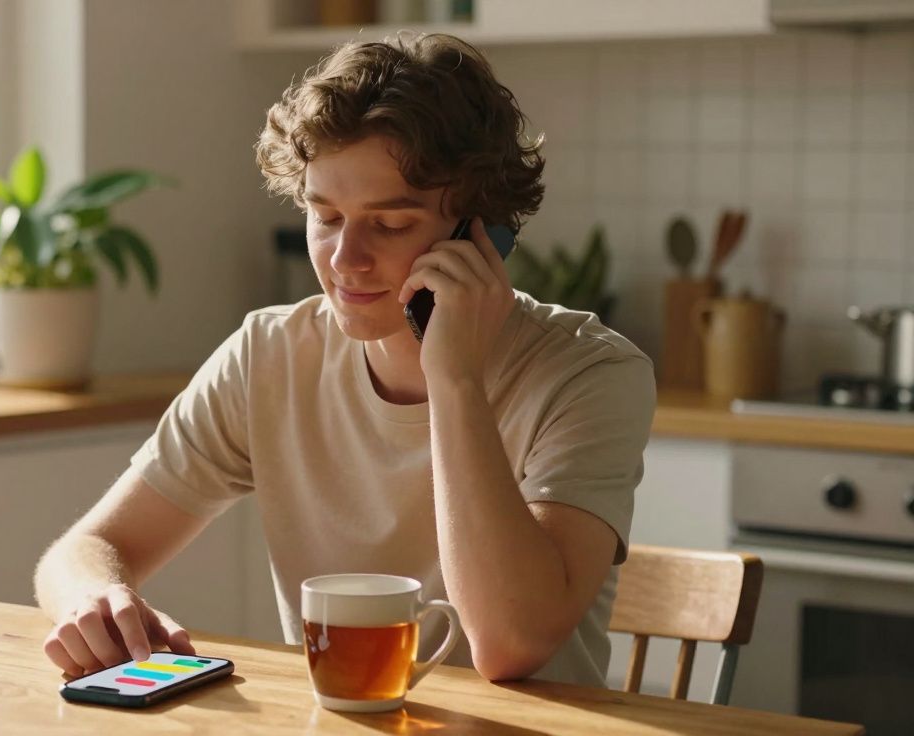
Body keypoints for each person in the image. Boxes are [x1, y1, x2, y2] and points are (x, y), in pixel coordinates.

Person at [34, 32, 655, 687]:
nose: (344, 258)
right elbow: (84, 550)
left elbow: (509, 645)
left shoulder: (590, 376)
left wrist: (454, 376)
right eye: (325, 216)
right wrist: (94, 599)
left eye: (389, 225)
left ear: (483, 235)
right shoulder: (268, 354)